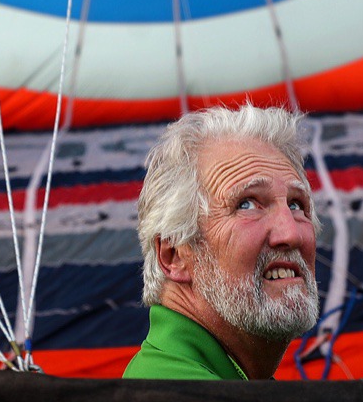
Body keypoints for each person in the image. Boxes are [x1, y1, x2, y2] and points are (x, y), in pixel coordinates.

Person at [123, 104, 322, 380]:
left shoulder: (230, 387)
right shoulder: (175, 397)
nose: (291, 233)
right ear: (173, 255)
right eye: (247, 204)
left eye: (296, 205)